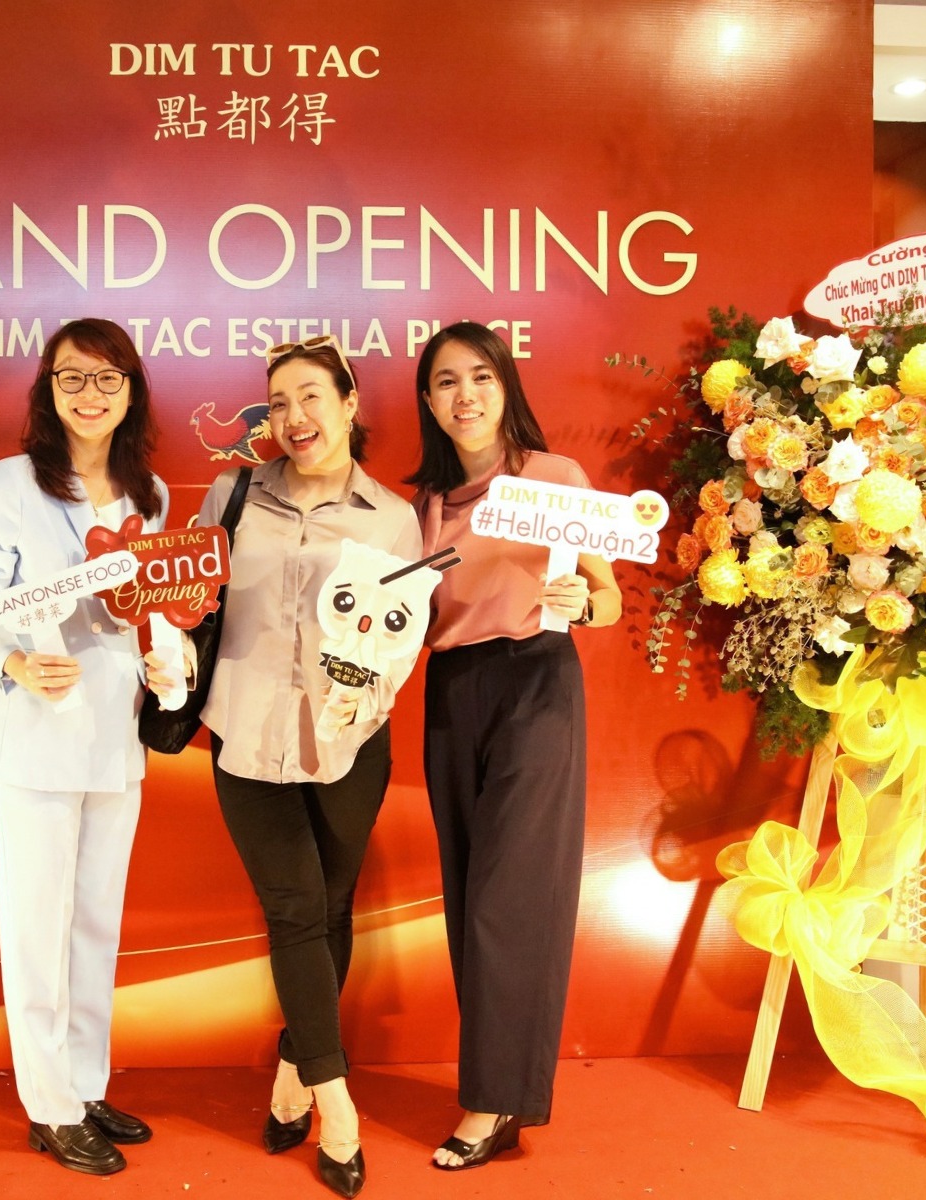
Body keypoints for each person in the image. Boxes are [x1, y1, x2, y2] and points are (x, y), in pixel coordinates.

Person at [197, 336, 422, 1198]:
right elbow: (189, 606)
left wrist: (367, 699)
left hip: (347, 743)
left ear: (349, 402)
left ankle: (292, 1078)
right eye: (280, 402)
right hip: (244, 734)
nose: (294, 418)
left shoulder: (391, 518)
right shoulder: (232, 496)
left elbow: (400, 637)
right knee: (294, 910)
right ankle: (338, 1108)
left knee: (330, 910)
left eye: (312, 397)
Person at [0, 318, 174, 1177]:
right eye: (72, 378)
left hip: (117, 736)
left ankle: (85, 1085)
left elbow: (164, 606)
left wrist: (171, 660)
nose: (91, 395)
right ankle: (48, 1106)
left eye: (108, 378)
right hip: (37, 736)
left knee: (94, 924)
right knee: (37, 926)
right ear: (48, 389)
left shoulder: (150, 494)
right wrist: (12, 661)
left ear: (131, 391)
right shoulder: (12, 482)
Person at [407, 322, 621, 1170]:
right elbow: (408, 619)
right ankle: (499, 1088)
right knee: (468, 892)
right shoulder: (423, 504)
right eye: (446, 381)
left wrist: (582, 600)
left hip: (537, 680)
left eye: (481, 377)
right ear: (428, 401)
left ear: (506, 387)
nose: (465, 395)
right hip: (452, 691)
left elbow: (607, 598)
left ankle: (492, 1102)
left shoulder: (555, 479)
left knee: (511, 896)